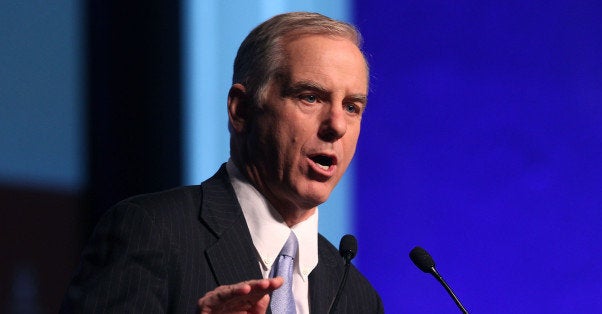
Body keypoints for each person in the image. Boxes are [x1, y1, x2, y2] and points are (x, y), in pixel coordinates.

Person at [61, 12, 383, 313]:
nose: (337, 125)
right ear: (241, 110)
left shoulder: (358, 298)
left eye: (352, 107)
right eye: (310, 97)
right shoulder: (152, 233)